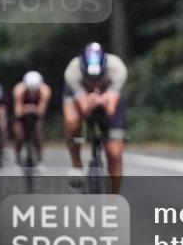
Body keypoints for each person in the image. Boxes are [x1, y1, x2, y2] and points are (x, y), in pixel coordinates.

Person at [62, 42, 128, 194]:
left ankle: (113, 198)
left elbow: (111, 109)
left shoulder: (117, 68)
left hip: (108, 98)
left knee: (115, 153)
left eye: (98, 79)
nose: (94, 83)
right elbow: (84, 109)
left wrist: (102, 100)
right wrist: (89, 101)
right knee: (72, 123)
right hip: (80, 98)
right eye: (90, 79)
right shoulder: (73, 71)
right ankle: (76, 164)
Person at [12, 71, 51, 166]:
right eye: (30, 91)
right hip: (23, 114)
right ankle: (17, 153)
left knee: (38, 132)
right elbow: (18, 112)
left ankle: (39, 155)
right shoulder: (18, 90)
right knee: (19, 134)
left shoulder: (45, 91)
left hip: (36, 114)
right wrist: (26, 109)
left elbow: (42, 110)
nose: (32, 93)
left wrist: (34, 109)